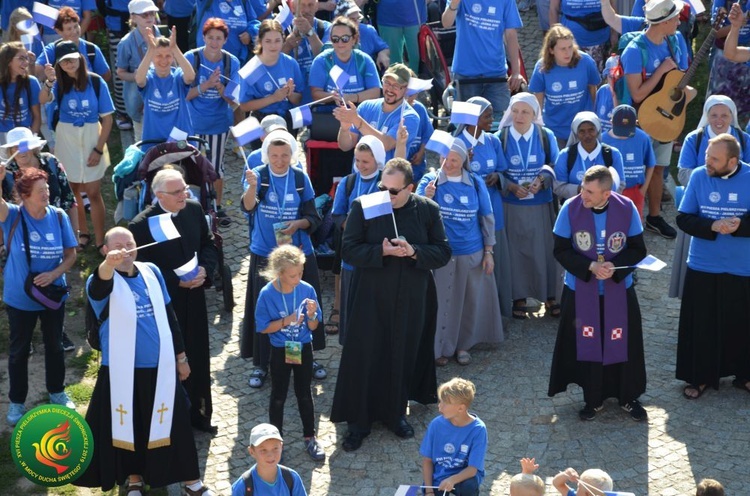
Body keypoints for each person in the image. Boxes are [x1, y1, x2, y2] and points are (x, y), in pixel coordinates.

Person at [75, 227, 214, 496]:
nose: (125, 249)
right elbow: (100, 284)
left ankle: (190, 482)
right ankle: (134, 479)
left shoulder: (151, 271)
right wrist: (108, 264)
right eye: (117, 245)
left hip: (160, 367)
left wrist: (181, 356)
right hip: (121, 372)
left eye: (129, 243)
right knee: (130, 427)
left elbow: (169, 315)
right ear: (105, 250)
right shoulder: (101, 277)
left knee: (176, 427)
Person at [330, 158, 452, 451]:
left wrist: (414, 252)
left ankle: (395, 413)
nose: (387, 194)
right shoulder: (366, 205)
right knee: (365, 356)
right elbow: (347, 248)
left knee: (402, 353)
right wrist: (380, 251)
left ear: (410, 188)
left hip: (411, 298)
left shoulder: (427, 210)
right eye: (383, 187)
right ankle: (358, 422)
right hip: (370, 298)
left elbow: (443, 251)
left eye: (394, 191)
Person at [548, 166, 648, 422]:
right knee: (588, 343)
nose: (583, 195)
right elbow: (560, 250)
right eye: (583, 188)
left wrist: (613, 268)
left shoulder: (626, 208)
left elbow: (637, 249)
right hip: (580, 289)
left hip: (618, 289)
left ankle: (627, 397)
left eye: (590, 191)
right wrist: (590, 267)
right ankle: (593, 398)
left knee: (623, 342)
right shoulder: (570, 208)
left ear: (607, 194)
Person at [128, 169, 219, 434]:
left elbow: (208, 243)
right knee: (171, 359)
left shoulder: (192, 210)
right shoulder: (140, 226)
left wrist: (205, 269)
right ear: (159, 196)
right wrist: (174, 280)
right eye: (177, 192)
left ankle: (200, 414)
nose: (185, 194)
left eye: (185, 188)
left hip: (196, 296)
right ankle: (172, 422)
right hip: (166, 303)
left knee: (199, 356)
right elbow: (138, 269)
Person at [240, 129, 325, 389]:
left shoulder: (300, 178)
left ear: (292, 154)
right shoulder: (259, 176)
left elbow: (313, 217)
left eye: (284, 155)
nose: (279, 160)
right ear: (266, 154)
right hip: (265, 253)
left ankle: (303, 359)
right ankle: (262, 362)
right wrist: (252, 187)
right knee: (266, 309)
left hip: (297, 255)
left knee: (298, 308)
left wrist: (297, 223)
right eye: (274, 155)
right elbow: (247, 207)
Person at [675, 134, 750, 400]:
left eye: (714, 159)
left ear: (733, 160)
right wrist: (712, 226)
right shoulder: (698, 176)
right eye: (707, 156)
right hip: (704, 265)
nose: (708, 162)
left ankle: (745, 374)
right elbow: (683, 218)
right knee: (702, 325)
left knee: (743, 324)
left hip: (743, 267)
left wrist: (741, 225)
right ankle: (701, 377)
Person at [0, 167, 77, 426]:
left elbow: (71, 255)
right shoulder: (12, 215)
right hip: (20, 299)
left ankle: (57, 392)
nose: (47, 193)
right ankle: (16, 402)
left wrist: (54, 274)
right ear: (25, 195)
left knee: (54, 345)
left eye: (47, 188)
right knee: (19, 351)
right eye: (41, 190)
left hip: (52, 296)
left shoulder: (58, 216)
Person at [417, 139, 503, 366]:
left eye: (454, 159)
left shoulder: (475, 182)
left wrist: (489, 251)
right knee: (440, 302)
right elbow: (414, 212)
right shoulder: (430, 180)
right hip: (440, 252)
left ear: (464, 161)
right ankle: (438, 348)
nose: (448, 163)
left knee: (468, 301)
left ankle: (463, 345)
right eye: (445, 158)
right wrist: (425, 197)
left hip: (471, 252)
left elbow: (486, 217)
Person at [621, 0, 694, 241]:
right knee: (635, 170)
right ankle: (627, 219)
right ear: (662, 22)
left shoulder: (676, 41)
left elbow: (680, 80)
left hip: (665, 118)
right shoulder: (634, 50)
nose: (679, 21)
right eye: (674, 18)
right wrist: (661, 70)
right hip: (640, 122)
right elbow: (637, 94)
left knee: (659, 167)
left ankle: (653, 216)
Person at [669, 96, 750, 299]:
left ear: (732, 116)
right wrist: (707, 182)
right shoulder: (694, 138)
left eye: (724, 115)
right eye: (713, 115)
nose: (719, 120)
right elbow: (683, 173)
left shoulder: (744, 140)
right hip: (703, 210)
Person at [40, 40, 114, 254]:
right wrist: (48, 81)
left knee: (93, 191)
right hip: (67, 138)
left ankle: (101, 240)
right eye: (64, 62)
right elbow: (43, 99)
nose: (69, 64)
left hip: (92, 136)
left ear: (80, 58)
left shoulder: (97, 82)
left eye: (72, 59)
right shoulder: (58, 83)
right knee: (72, 190)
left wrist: (99, 149)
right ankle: (82, 233)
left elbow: (107, 120)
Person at [255, 245, 325, 461]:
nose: (299, 278)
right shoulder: (267, 293)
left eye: (301, 272)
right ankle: (276, 442)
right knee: (278, 396)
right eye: (293, 275)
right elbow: (262, 327)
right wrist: (287, 320)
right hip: (279, 349)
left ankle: (310, 437)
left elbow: (313, 327)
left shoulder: (307, 289)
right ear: (279, 273)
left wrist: (312, 315)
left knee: (304, 394)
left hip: (302, 347)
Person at [496, 92, 561, 319]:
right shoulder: (500, 137)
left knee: (544, 249)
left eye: (525, 112)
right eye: (515, 111)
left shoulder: (545, 135)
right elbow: (496, 171)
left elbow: (555, 164)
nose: (519, 116)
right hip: (511, 204)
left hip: (540, 203)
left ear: (535, 114)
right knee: (515, 251)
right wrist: (512, 186)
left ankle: (550, 294)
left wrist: (542, 179)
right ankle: (519, 296)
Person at [453, 96, 512, 319]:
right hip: (467, 215)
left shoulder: (493, 141)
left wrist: (497, 176)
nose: (492, 119)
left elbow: (503, 170)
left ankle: (497, 315)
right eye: (487, 115)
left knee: (495, 264)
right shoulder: (456, 143)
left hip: (493, 211)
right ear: (471, 118)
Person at [185, 18, 241, 224]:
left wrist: (220, 88)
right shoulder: (191, 58)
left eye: (219, 38)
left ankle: (216, 207)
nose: (214, 42)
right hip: (193, 124)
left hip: (218, 124)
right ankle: (194, 207)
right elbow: (184, 95)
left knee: (216, 168)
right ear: (203, 37)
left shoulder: (231, 62)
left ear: (225, 40)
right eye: (210, 37)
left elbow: (234, 99)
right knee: (192, 167)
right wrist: (206, 85)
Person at [330, 135, 385, 345]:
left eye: (366, 161)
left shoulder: (384, 182)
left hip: (375, 252)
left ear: (377, 160)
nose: (360, 166)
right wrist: (354, 228)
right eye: (358, 160)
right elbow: (338, 215)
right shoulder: (349, 182)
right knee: (351, 301)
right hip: (352, 253)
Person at [442, 0, 525, 119]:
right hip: (466, 74)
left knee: (498, 125)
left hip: (496, 75)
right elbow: (446, 23)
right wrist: (454, 4)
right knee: (466, 124)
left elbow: (511, 35)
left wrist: (516, 72)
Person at [528, 25, 600, 147]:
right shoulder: (542, 68)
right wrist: (538, 128)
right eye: (562, 49)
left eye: (570, 47)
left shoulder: (586, 62)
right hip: (555, 130)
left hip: (583, 130)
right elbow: (538, 101)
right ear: (551, 50)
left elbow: (593, 91)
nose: (568, 53)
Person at [334, 63, 420, 163]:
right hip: (360, 175)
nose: (390, 89)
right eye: (387, 83)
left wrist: (357, 120)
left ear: (406, 89)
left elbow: (386, 144)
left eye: (396, 85)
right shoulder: (366, 106)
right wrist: (344, 129)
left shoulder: (410, 117)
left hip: (386, 176)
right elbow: (345, 146)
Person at [420, 378, 487, 496]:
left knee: (469, 487)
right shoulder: (436, 424)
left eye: (444, 403)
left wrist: (452, 479)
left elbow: (472, 469)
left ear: (461, 408)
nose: (439, 407)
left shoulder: (478, 429)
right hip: (439, 477)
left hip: (464, 477)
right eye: (440, 402)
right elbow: (427, 460)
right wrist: (429, 491)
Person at [239, 20, 304, 143]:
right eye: (268, 41)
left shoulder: (290, 63)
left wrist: (290, 94)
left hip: (286, 119)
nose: (273, 46)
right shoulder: (252, 68)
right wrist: (273, 98)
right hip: (261, 121)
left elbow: (298, 98)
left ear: (283, 40)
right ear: (260, 42)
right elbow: (244, 106)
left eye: (277, 41)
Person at [135, 27, 196, 151]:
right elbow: (140, 80)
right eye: (158, 55)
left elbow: (190, 76)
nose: (163, 60)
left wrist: (175, 48)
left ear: (173, 57)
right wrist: (150, 50)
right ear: (152, 57)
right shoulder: (150, 77)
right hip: (153, 143)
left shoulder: (178, 75)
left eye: (168, 56)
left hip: (180, 141)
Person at [115, 0, 163, 142]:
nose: (149, 17)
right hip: (139, 103)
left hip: (163, 100)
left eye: (152, 13)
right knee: (143, 143)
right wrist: (136, 76)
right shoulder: (126, 43)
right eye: (144, 14)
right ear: (133, 17)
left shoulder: (163, 35)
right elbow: (120, 72)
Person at [309, 16, 381, 106]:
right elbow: (315, 94)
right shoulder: (321, 61)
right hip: (330, 113)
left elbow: (375, 92)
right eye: (335, 39)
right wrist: (333, 96)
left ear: (354, 39)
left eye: (345, 39)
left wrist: (351, 98)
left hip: (359, 111)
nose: (340, 43)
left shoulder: (364, 60)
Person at [553, 111, 625, 202]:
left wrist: (600, 198)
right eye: (582, 131)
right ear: (576, 133)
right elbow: (558, 187)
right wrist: (583, 190)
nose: (587, 135)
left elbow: (620, 184)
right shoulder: (565, 155)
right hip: (575, 210)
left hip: (604, 208)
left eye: (591, 130)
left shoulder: (613, 154)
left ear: (598, 130)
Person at [601, 104, 656, 218]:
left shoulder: (643, 138)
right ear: (611, 122)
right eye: (620, 130)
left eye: (627, 131)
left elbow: (651, 164)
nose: (623, 136)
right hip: (610, 191)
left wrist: (643, 190)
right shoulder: (602, 140)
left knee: (634, 225)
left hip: (635, 190)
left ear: (635, 123)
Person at [231, 423, 308, 496]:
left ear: (281, 447)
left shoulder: (292, 478)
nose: (270, 456)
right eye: (263, 450)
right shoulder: (242, 487)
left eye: (275, 448)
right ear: (252, 451)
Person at [550, 0, 615, 71]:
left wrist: (614, 33)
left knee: (597, 79)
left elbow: (612, 7)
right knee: (572, 77)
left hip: (600, 43)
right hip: (569, 45)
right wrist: (554, 39)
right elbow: (553, 10)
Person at [325, 2, 390, 71]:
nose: (356, 23)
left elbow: (383, 48)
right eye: (352, 20)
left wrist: (382, 54)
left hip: (366, 75)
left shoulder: (368, 31)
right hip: (340, 78)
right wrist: (349, 80)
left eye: (358, 19)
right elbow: (329, 68)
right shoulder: (331, 37)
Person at [195, 0, 260, 65]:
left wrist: (250, 33)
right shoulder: (206, 2)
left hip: (238, 61)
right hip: (208, 62)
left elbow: (254, 22)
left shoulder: (243, 1)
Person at [0, 42, 41, 144]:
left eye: (26, 58)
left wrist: (31, 142)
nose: (26, 62)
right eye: (21, 58)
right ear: (8, 61)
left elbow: (37, 117)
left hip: (25, 136)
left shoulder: (31, 82)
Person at [375, 0, 426, 73]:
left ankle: (416, 82)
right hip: (387, 18)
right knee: (393, 64)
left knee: (418, 59)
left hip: (415, 16)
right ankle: (397, 83)